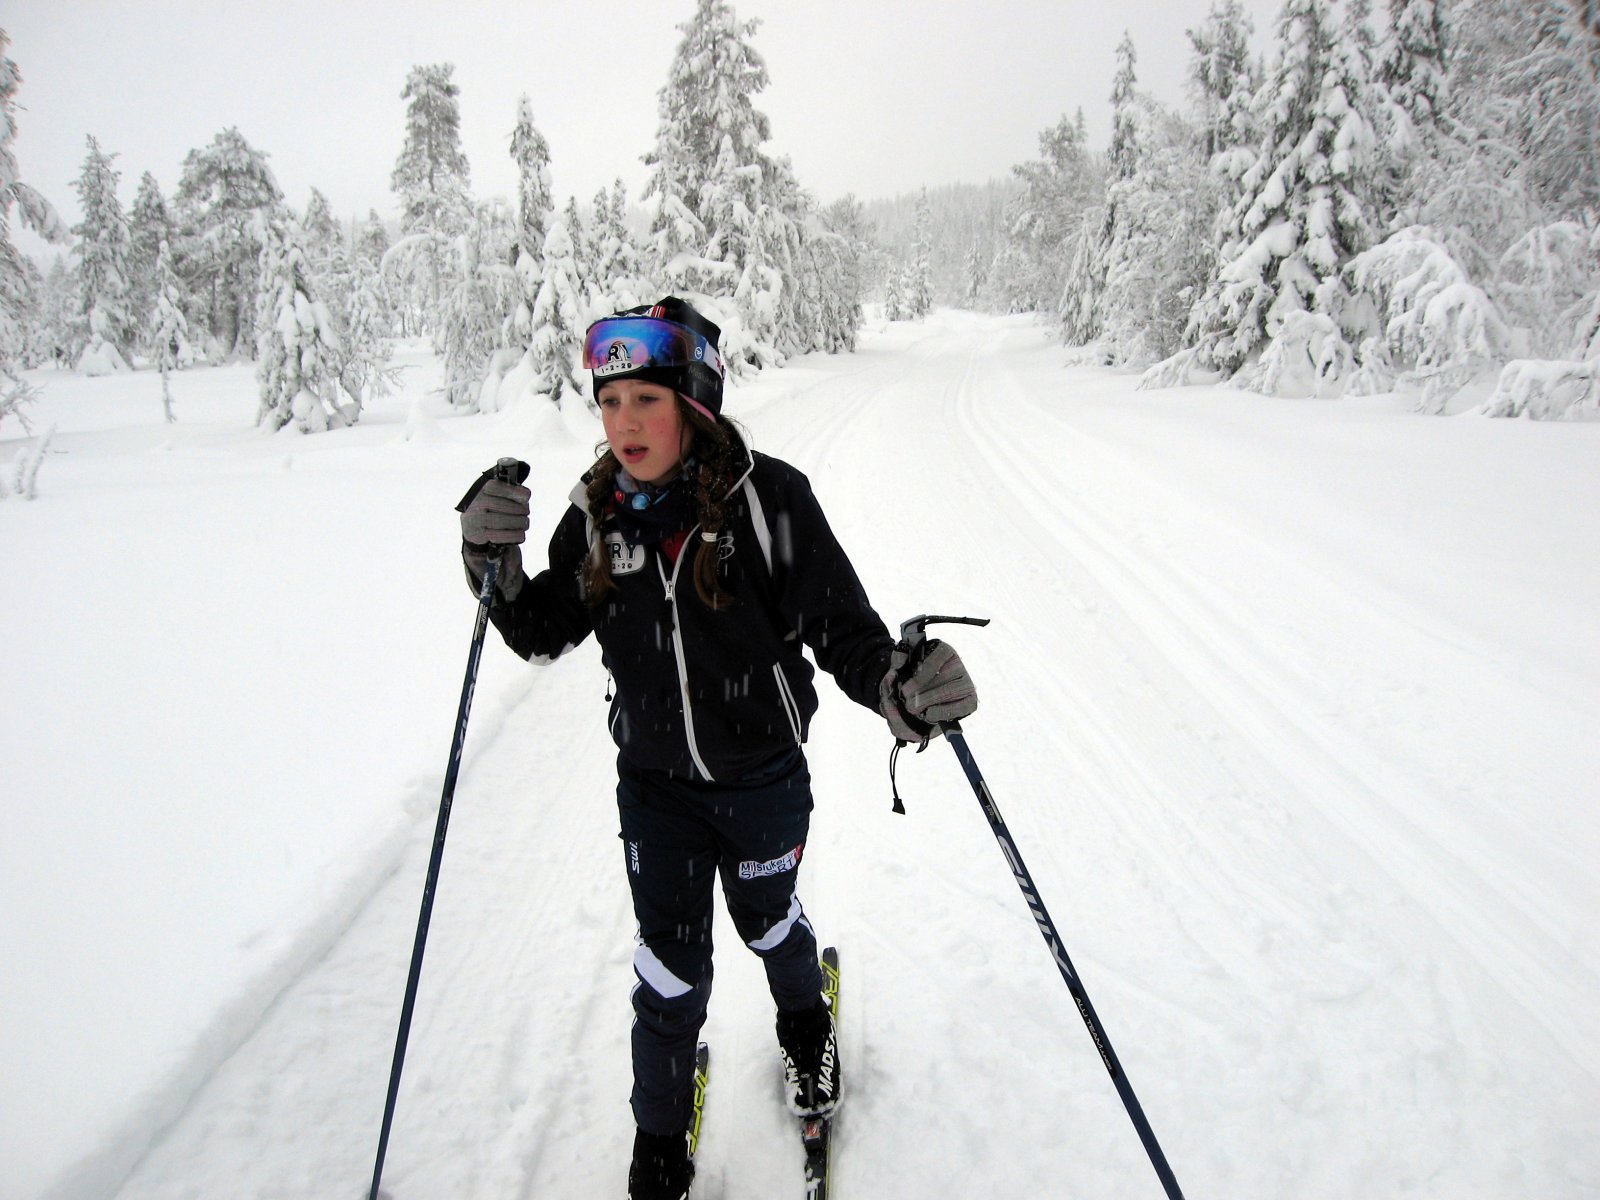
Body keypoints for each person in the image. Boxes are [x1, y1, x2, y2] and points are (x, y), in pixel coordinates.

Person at [456, 296, 978, 1200]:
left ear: (693, 404)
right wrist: (491, 566)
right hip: (654, 791)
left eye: (644, 401)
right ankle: (656, 1151)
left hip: (762, 780)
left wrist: (900, 686)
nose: (623, 424)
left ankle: (807, 1033)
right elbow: (541, 628)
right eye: (609, 403)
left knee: (770, 922)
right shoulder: (595, 518)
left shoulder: (768, 501)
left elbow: (845, 634)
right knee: (669, 971)